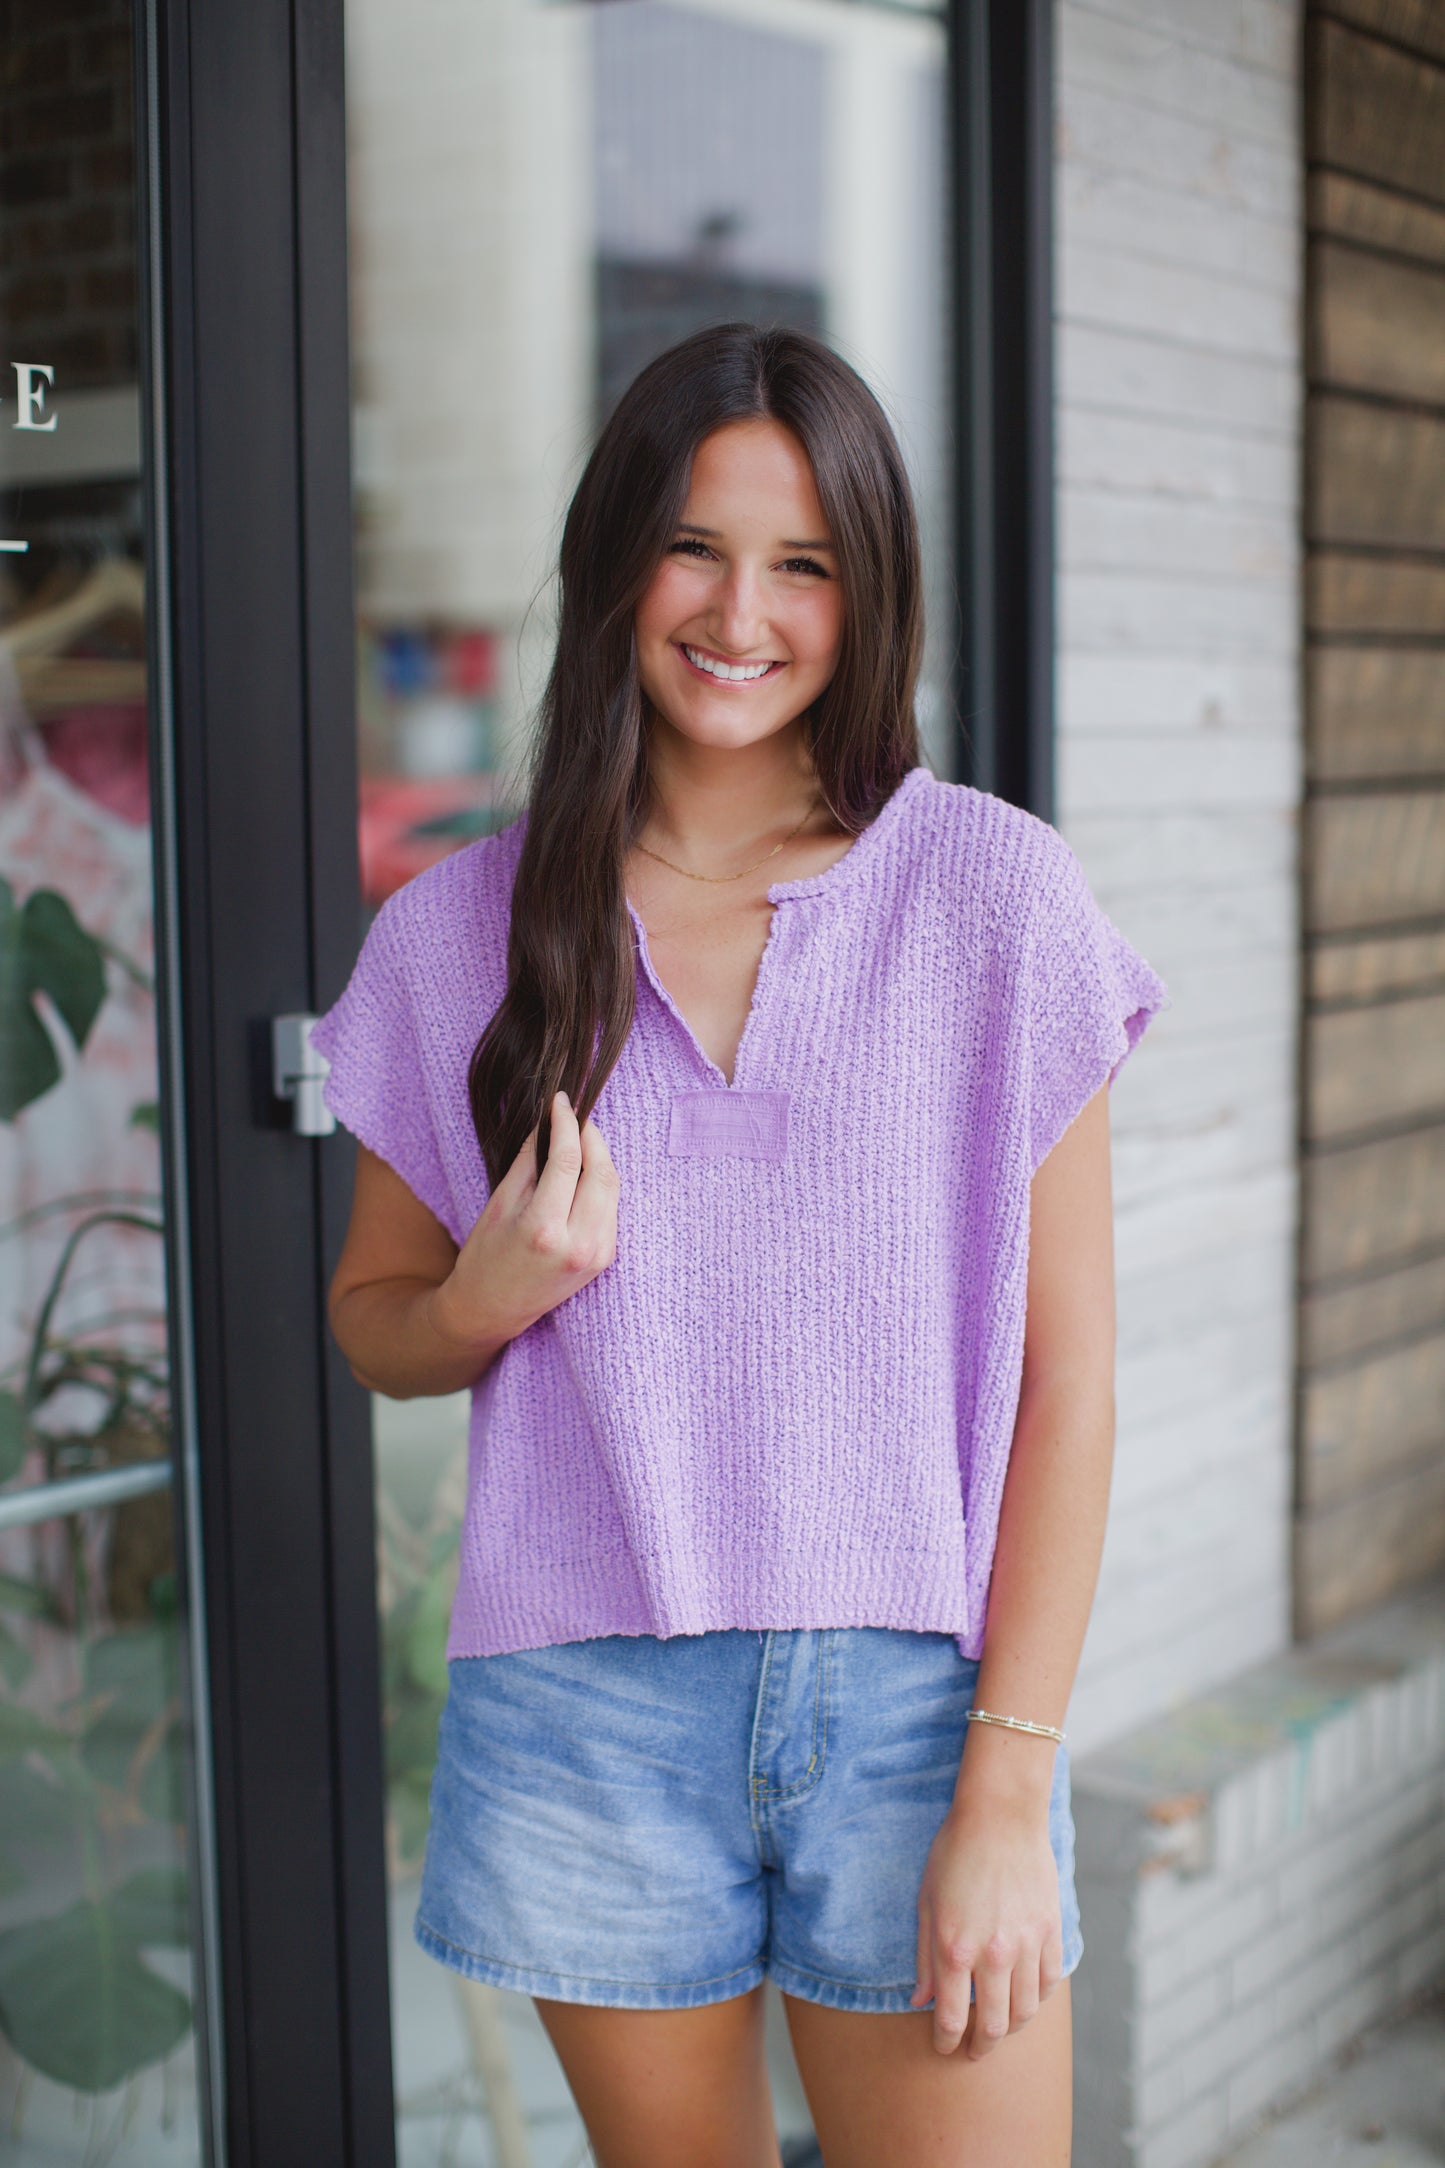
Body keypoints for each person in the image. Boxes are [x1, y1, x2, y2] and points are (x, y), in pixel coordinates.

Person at [315, 322, 1166, 2168]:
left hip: (919, 1713)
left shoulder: (991, 897)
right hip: (586, 1712)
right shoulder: (462, 926)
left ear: (868, 597)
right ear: (619, 557)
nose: (739, 610)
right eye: (695, 545)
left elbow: (1073, 1381)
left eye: (806, 564)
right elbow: (374, 1325)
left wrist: (1006, 1787)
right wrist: (481, 1299)